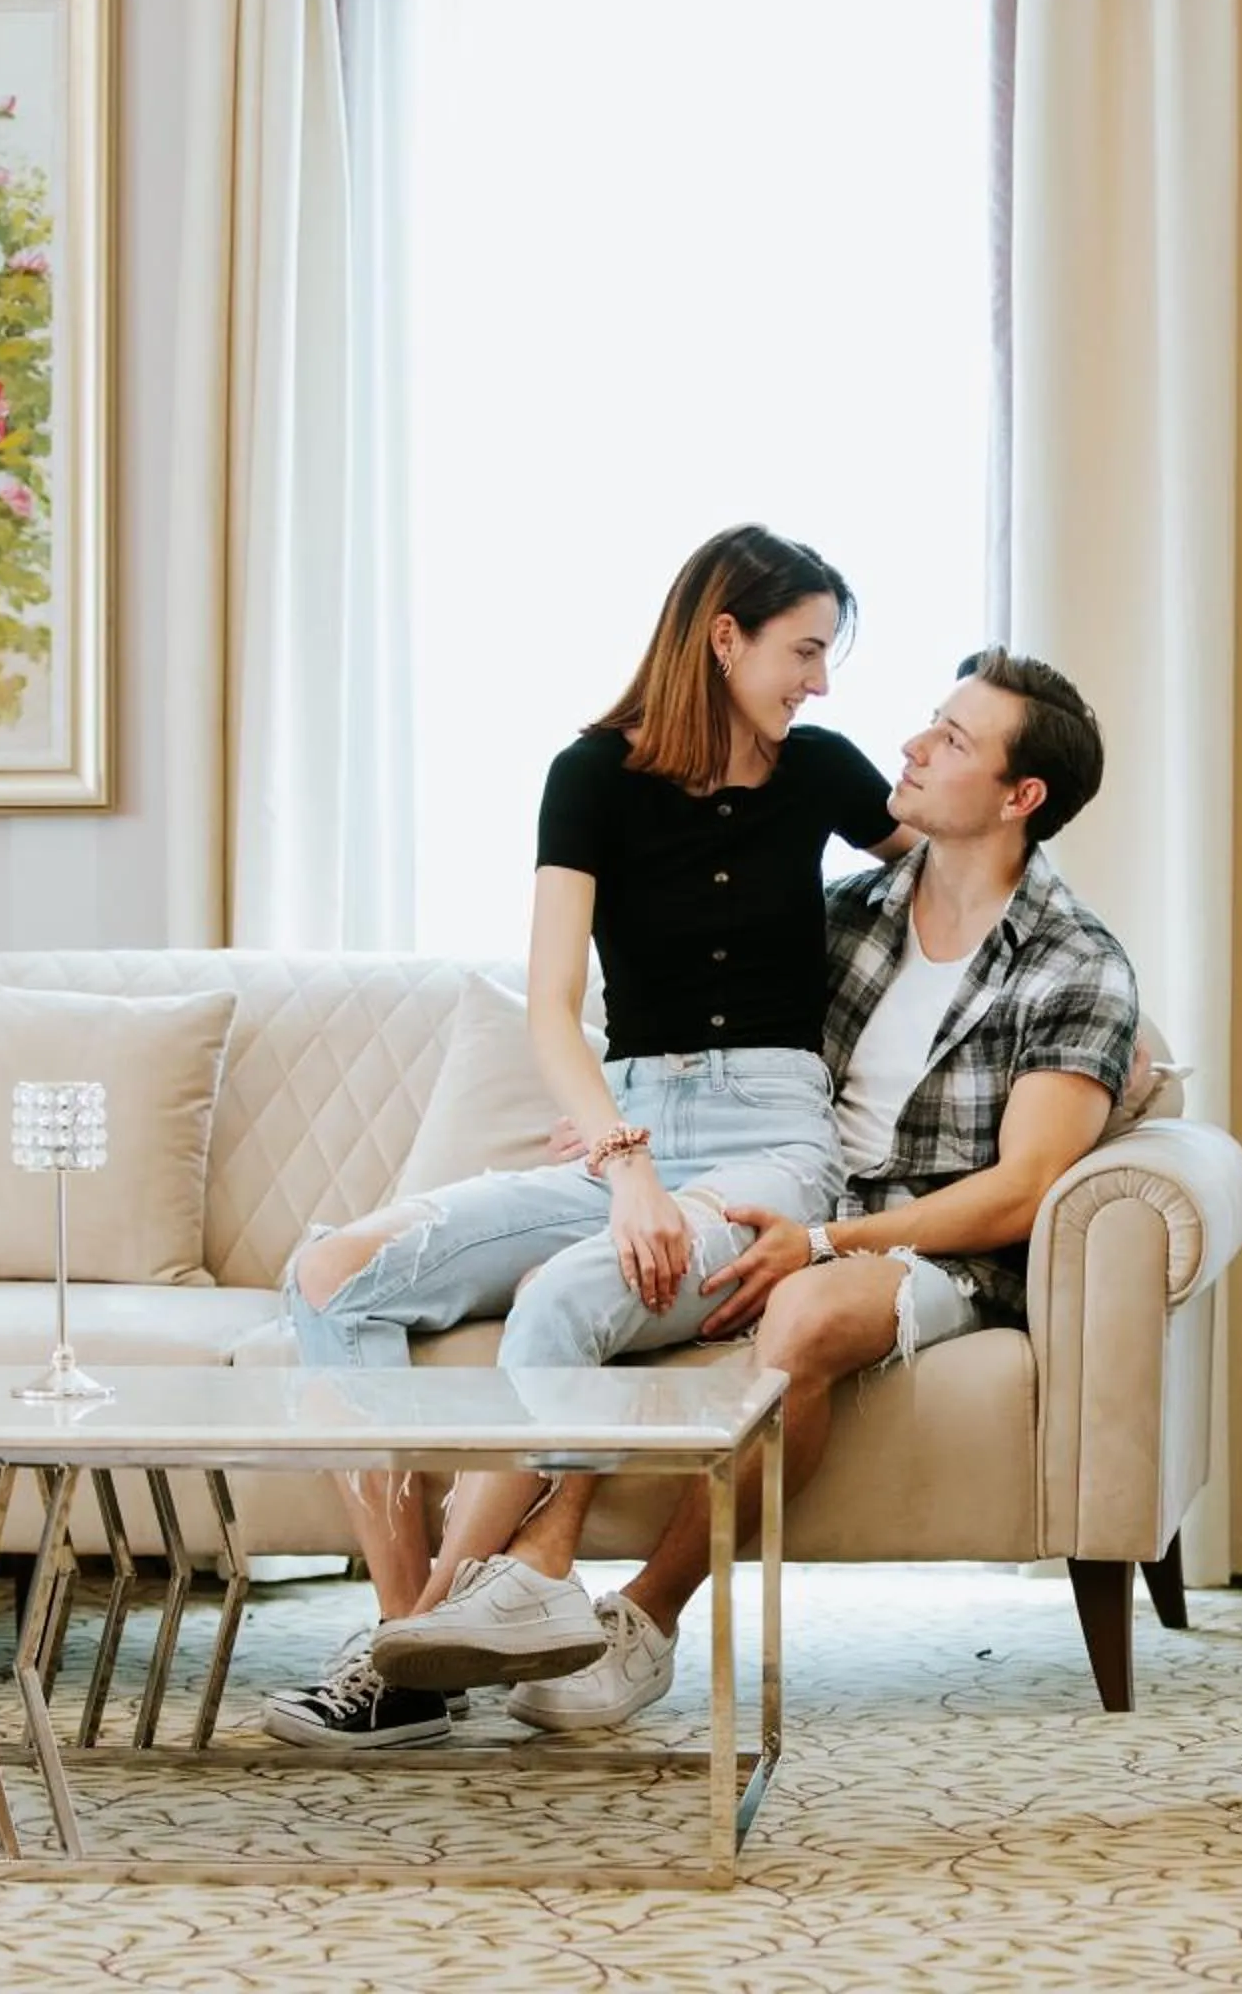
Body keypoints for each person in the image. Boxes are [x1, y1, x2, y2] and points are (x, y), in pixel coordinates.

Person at [261, 525, 914, 1748]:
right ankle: (412, 1638)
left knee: (570, 1288)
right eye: (805, 650)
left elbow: (970, 872)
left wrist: (1092, 1004)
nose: (821, 681)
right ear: (725, 637)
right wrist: (627, 1163)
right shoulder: (590, 775)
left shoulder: (823, 771)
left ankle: (406, 1657)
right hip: (629, 1131)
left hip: (771, 1144)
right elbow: (554, 1006)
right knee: (333, 1274)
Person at [411, 647, 1142, 1734]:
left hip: (937, 1249)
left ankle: (644, 1622)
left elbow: (1023, 1192)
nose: (912, 746)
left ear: (1018, 796)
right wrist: (624, 1122)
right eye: (930, 721)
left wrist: (826, 1242)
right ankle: (520, 1577)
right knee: (600, 1275)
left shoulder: (1075, 964)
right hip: (780, 1194)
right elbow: (704, 1031)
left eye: (952, 739)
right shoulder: (845, 915)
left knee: (803, 1310)